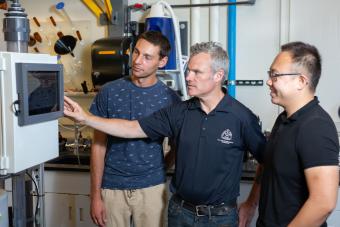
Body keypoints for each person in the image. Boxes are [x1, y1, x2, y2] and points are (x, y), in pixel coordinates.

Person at [64, 42, 266, 227]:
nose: (188, 77)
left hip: (221, 217)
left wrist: (251, 204)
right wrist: (86, 119)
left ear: (218, 75)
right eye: (188, 71)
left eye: (197, 72)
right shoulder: (179, 112)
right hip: (180, 212)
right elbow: (132, 128)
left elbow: (267, 162)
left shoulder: (242, 118)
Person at [88, 30, 181, 227]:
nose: (137, 60)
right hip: (112, 187)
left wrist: (161, 168)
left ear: (161, 62)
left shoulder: (170, 99)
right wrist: (95, 196)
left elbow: (176, 145)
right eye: (136, 52)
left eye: (147, 57)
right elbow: (98, 145)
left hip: (152, 189)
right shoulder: (109, 92)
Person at [242, 41, 339, 227]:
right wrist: (250, 204)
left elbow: (324, 202)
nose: (269, 81)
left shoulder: (316, 127)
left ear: (301, 81)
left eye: (275, 75)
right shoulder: (284, 119)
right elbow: (267, 166)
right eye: (270, 74)